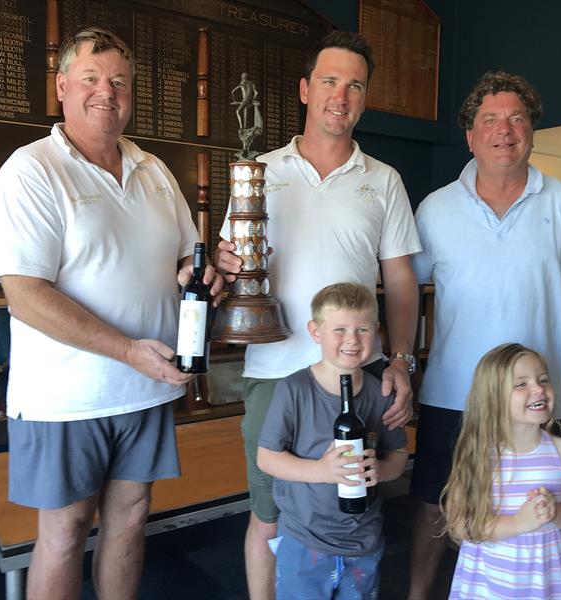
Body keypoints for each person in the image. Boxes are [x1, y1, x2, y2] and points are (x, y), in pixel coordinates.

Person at [0, 27, 223, 600]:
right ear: (62, 87)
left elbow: (183, 266)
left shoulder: (155, 171)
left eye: (118, 80)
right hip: (67, 399)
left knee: (132, 518)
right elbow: (26, 295)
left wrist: (201, 277)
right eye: (90, 78)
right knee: (63, 534)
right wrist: (127, 350)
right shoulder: (32, 170)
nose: (105, 92)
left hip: (148, 390)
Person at [216, 30, 421, 599]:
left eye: (355, 85)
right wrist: (223, 260)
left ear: (364, 98)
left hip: (359, 375)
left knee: (353, 509)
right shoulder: (258, 171)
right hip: (276, 370)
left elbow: (401, 279)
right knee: (270, 515)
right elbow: (231, 262)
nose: (341, 95)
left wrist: (400, 361)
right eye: (330, 81)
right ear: (306, 89)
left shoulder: (384, 180)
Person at [408, 71, 561, 599]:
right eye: (490, 120)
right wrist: (401, 361)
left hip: (533, 397)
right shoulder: (436, 208)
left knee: (534, 504)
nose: (504, 130)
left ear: (531, 131)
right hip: (452, 392)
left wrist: (552, 309)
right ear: (471, 135)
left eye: (516, 118)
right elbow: (407, 287)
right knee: (437, 504)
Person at [257, 283, 409, 599]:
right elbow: (267, 458)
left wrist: (380, 470)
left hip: (363, 540)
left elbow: (397, 455)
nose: (352, 339)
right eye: (339, 329)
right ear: (316, 331)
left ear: (376, 332)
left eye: (362, 329)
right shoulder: (294, 390)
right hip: (304, 540)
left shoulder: (380, 394)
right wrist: (323, 472)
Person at [443, 343, 561, 598]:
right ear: (492, 398)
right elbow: (460, 527)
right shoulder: (478, 455)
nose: (538, 389)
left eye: (543, 380)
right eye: (521, 384)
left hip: (544, 585)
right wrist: (518, 523)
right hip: (487, 586)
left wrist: (555, 513)